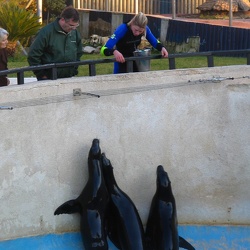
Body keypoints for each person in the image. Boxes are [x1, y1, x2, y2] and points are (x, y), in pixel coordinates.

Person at [100, 12, 168, 74]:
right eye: (136, 30)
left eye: (140, 31)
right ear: (132, 23)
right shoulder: (122, 29)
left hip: (136, 61)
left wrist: (162, 48)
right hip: (121, 62)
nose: (137, 33)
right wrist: (114, 51)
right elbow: (104, 49)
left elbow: (155, 42)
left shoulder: (145, 29)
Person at [28, 7, 83, 81]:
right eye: (71, 25)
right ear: (63, 20)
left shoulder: (75, 33)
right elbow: (33, 55)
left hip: (69, 76)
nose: (73, 28)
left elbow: (79, 52)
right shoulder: (46, 32)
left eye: (76, 26)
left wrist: (74, 69)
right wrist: (41, 74)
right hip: (49, 78)